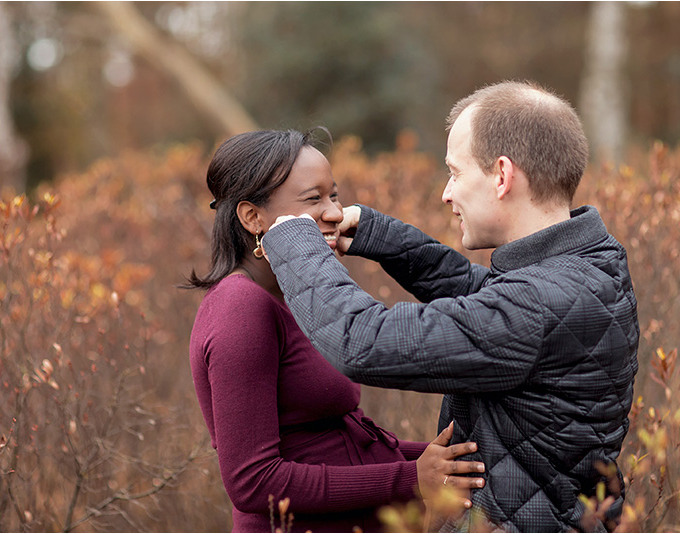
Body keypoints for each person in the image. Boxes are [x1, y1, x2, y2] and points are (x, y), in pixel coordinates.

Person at [260, 81, 640, 532]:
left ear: (502, 175)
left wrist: (297, 244)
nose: (446, 193)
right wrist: (382, 237)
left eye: (455, 173)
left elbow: (363, 342)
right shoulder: (590, 265)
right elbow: (485, 298)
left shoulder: (537, 303)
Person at [184, 129, 486, 533]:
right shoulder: (241, 307)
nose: (332, 212)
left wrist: (445, 459)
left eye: (334, 195)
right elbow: (253, 482)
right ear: (252, 217)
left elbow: (336, 442)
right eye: (313, 199)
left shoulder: (300, 297)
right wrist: (410, 476)